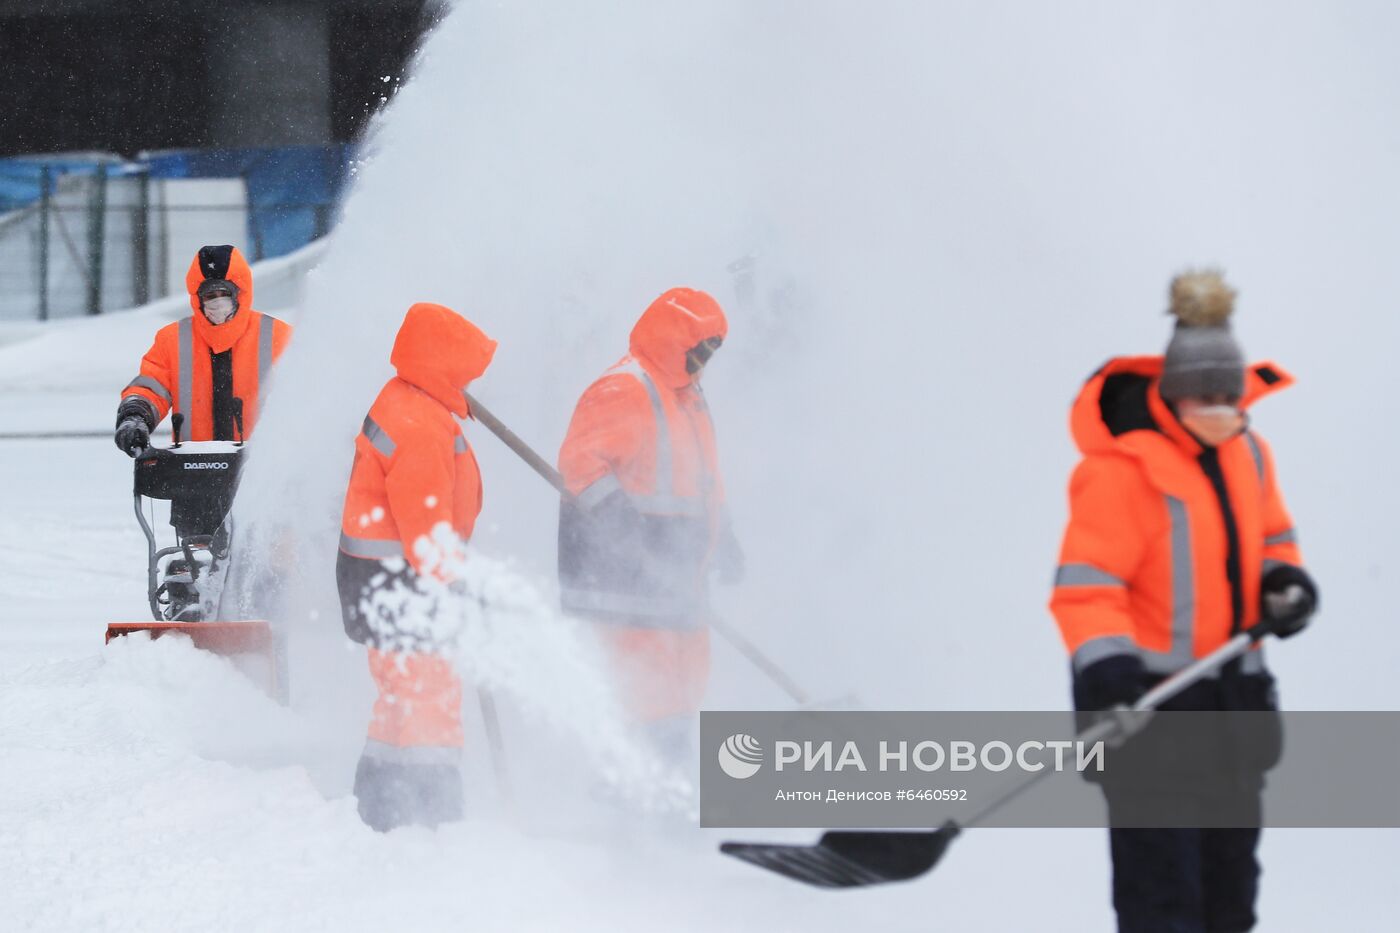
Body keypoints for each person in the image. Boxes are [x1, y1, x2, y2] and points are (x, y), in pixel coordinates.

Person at [1049, 270, 1318, 933]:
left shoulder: (1250, 454)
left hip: (1233, 714)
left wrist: (1286, 586)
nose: (1220, 407)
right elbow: (1086, 590)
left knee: (1231, 902)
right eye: (1205, 394)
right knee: (1162, 905)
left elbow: (1274, 540)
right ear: (1173, 393)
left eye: (1230, 394)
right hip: (1146, 718)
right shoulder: (1120, 472)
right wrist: (1108, 676)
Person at [557, 287, 742, 761]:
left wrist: (725, 537)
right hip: (627, 580)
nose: (704, 363)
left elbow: (703, 478)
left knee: (686, 686)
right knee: (648, 693)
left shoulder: (688, 397)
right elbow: (581, 466)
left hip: (678, 579)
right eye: (698, 351)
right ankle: (636, 801)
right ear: (674, 342)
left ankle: (670, 783)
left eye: (709, 354)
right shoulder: (625, 388)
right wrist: (627, 531)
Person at [336, 302, 497, 832]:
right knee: (429, 696)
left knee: (402, 693)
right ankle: (434, 815)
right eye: (464, 371)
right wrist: (453, 583)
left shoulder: (406, 400)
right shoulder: (421, 425)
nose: (470, 382)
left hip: (382, 582)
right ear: (439, 365)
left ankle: (378, 805)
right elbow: (425, 526)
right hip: (405, 584)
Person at [114, 244, 293, 539]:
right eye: (210, 295)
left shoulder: (278, 336)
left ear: (240, 293)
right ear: (197, 298)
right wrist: (135, 417)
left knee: (268, 564)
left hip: (263, 473)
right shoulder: (173, 340)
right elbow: (151, 386)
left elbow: (304, 398)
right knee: (194, 568)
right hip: (193, 479)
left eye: (224, 293)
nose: (217, 303)